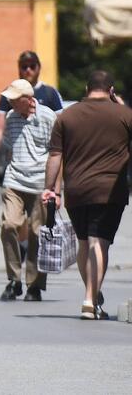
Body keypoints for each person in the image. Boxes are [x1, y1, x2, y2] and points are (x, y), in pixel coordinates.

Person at [43, 70, 131, 320]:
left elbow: (55, 156)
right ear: (111, 91)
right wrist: (122, 106)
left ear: (86, 88)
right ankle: (90, 300)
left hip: (77, 191)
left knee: (84, 242)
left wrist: (50, 189)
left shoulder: (67, 116)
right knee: (98, 242)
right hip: (109, 191)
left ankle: (92, 294)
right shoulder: (124, 115)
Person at [0, 79, 57, 302]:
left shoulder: (48, 117)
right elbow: (9, 147)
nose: (9, 102)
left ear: (27, 99)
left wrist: (55, 189)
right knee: (8, 225)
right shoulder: (11, 117)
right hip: (14, 181)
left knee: (36, 233)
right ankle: (14, 279)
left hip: (40, 183)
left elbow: (57, 153)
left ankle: (34, 285)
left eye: (14, 99)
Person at [0, 51, 63, 175]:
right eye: (24, 66)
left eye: (32, 66)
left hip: (42, 163)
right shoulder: (9, 93)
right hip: (16, 163)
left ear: (39, 67)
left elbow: (61, 125)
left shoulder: (50, 93)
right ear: (19, 68)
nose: (28, 70)